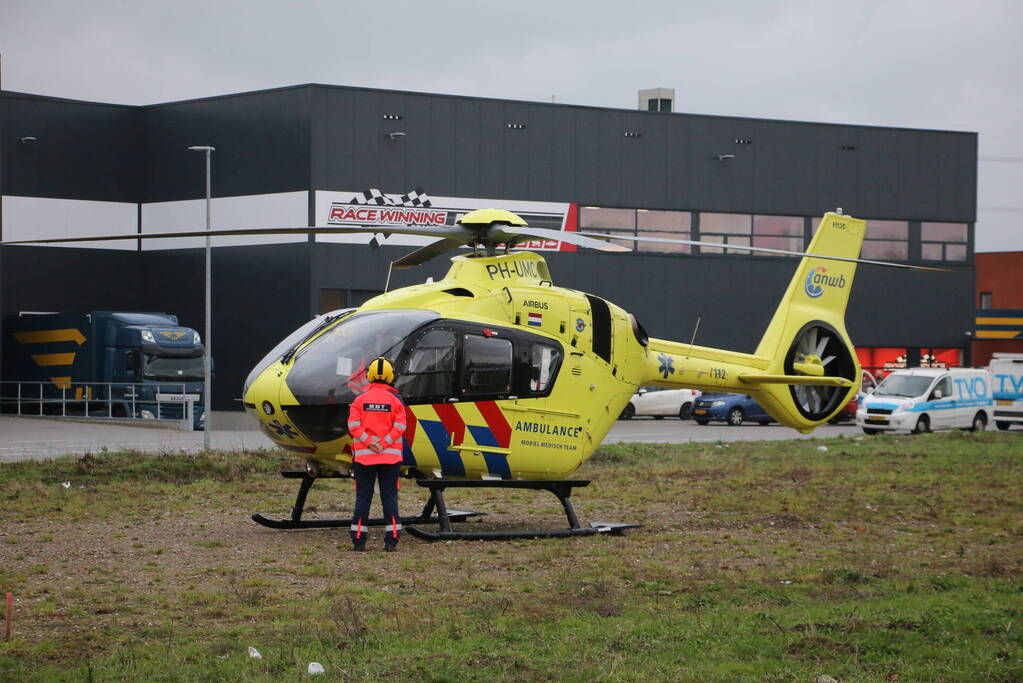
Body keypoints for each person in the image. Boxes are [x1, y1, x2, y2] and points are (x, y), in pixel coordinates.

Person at [346, 357, 407, 552]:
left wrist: (369, 442)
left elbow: (353, 426)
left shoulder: (359, 400)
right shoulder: (396, 401)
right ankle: (392, 539)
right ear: (390, 376)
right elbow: (400, 426)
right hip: (390, 458)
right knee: (389, 498)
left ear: (370, 376)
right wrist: (384, 443)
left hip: (364, 458)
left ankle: (358, 539)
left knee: (363, 497)